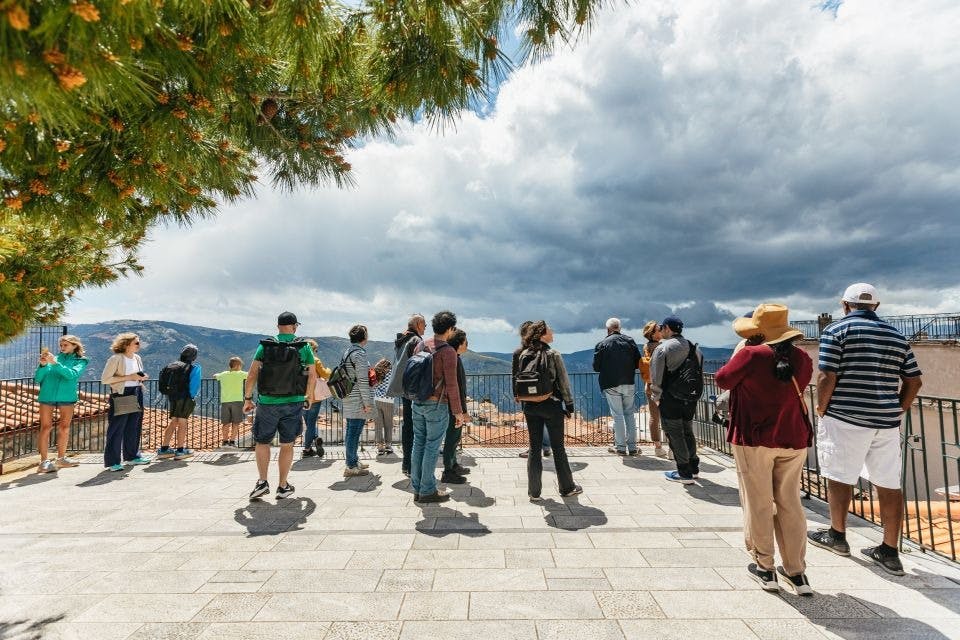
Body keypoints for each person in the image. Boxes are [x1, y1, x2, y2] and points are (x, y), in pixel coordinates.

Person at [807, 283, 923, 576]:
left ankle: (837, 534)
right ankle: (889, 550)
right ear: (876, 307)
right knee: (888, 482)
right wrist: (898, 408)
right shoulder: (897, 336)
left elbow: (826, 374)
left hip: (845, 416)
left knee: (839, 476)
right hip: (885, 421)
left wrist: (822, 407)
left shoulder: (836, 331)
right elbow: (914, 381)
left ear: (845, 305)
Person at [715, 304, 814, 595]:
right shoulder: (802, 358)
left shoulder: (750, 355)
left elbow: (723, 380)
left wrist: (743, 350)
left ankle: (765, 566)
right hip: (792, 438)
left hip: (754, 438)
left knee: (759, 502)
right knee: (790, 503)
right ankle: (797, 572)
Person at [243, 312, 316, 500]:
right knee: (287, 444)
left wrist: (248, 398)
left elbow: (252, 374)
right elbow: (312, 375)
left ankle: (262, 481)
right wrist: (308, 396)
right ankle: (283, 486)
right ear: (295, 327)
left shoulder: (265, 346)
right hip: (294, 401)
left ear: (277, 327)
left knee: (262, 442)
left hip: (267, 401)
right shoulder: (303, 346)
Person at [513, 320, 581, 500]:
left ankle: (534, 492)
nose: (552, 332)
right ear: (543, 335)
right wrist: (569, 404)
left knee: (534, 448)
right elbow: (563, 382)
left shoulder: (524, 354)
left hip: (530, 406)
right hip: (551, 404)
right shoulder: (553, 354)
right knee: (558, 448)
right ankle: (567, 487)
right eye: (550, 330)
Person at [410, 311, 468, 503]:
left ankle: (417, 487)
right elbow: (452, 384)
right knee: (432, 447)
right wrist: (458, 412)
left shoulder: (420, 344)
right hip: (437, 404)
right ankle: (427, 489)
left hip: (417, 402)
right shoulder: (448, 351)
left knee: (418, 444)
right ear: (450, 329)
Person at [650, 315, 704, 484]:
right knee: (687, 431)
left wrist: (656, 396)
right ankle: (694, 468)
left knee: (675, 433)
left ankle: (684, 472)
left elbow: (656, 375)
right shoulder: (695, 348)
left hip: (670, 397)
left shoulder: (663, 348)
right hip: (691, 397)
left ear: (667, 328)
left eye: (661, 327)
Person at [34, 334, 89, 473]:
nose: (62, 347)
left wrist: (55, 364)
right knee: (45, 427)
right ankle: (44, 462)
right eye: (61, 345)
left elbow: (71, 375)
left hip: (67, 397)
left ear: (74, 345)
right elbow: (38, 378)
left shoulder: (81, 361)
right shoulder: (53, 358)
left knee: (64, 428)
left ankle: (61, 459)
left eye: (66, 345)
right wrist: (42, 365)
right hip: (47, 396)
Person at [100, 332, 152, 471]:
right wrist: (129, 376)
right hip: (122, 394)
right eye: (136, 342)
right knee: (117, 428)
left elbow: (135, 376)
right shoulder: (116, 358)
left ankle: (132, 457)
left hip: (136, 392)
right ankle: (113, 462)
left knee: (134, 427)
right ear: (126, 344)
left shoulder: (137, 358)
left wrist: (140, 377)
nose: (139, 345)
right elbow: (105, 379)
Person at [593, 317, 642, 455]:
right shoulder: (630, 341)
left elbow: (596, 367)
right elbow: (638, 362)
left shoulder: (601, 344)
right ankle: (632, 447)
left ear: (608, 329)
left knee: (618, 415)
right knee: (629, 414)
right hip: (629, 381)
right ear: (619, 328)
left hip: (610, 383)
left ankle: (620, 447)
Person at [387, 314, 426, 476]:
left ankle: (406, 464)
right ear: (417, 324)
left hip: (403, 388)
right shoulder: (416, 341)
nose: (425, 328)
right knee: (415, 427)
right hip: (413, 389)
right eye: (424, 324)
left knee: (407, 426)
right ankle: (411, 466)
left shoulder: (401, 340)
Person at [157, 344, 201, 460]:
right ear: (194, 357)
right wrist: (191, 397)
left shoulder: (171, 365)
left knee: (174, 421)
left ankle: (164, 449)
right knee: (182, 422)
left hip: (172, 397)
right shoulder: (193, 368)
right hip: (185, 397)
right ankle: (180, 451)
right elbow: (194, 386)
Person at [514, 322, 551, 459]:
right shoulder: (543, 351)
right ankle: (545, 447)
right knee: (544, 420)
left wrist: (516, 394)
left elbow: (515, 375)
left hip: (526, 393)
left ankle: (534, 449)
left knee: (532, 422)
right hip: (542, 391)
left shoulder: (519, 353)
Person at [342, 325, 374, 477]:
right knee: (354, 433)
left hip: (349, 395)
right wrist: (367, 403)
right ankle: (351, 465)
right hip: (357, 399)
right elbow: (362, 380)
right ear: (364, 337)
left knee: (351, 431)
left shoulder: (348, 351)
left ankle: (353, 459)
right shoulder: (359, 354)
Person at [440, 329, 471, 483]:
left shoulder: (456, 357)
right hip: (454, 407)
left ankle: (453, 464)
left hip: (454, 406)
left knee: (455, 437)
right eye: (466, 341)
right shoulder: (454, 359)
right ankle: (448, 471)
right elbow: (456, 387)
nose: (467, 344)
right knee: (452, 438)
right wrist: (462, 411)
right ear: (459, 344)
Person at [638, 321, 666, 457]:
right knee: (667, 416)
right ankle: (672, 446)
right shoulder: (660, 348)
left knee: (654, 417)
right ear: (653, 334)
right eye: (659, 330)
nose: (661, 331)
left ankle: (658, 447)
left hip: (649, 386)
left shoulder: (646, 347)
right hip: (663, 386)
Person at [301, 339, 332, 457]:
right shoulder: (315, 360)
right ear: (313, 349)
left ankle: (314, 439)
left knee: (309, 424)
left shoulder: (299, 361)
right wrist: (329, 369)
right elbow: (325, 374)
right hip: (314, 396)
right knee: (311, 422)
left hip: (301, 396)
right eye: (316, 350)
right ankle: (307, 449)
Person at [213, 356, 247, 447]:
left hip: (225, 402)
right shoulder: (241, 374)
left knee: (225, 423)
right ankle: (232, 442)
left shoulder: (223, 374)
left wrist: (217, 374)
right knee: (236, 423)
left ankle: (224, 441)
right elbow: (251, 375)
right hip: (237, 401)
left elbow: (215, 376)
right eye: (240, 365)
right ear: (237, 366)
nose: (241, 367)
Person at [371, 358, 395, 455]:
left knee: (378, 424)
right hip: (389, 400)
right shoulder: (391, 373)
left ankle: (380, 446)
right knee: (388, 424)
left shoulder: (376, 373)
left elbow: (373, 386)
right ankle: (388, 446)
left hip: (377, 400)